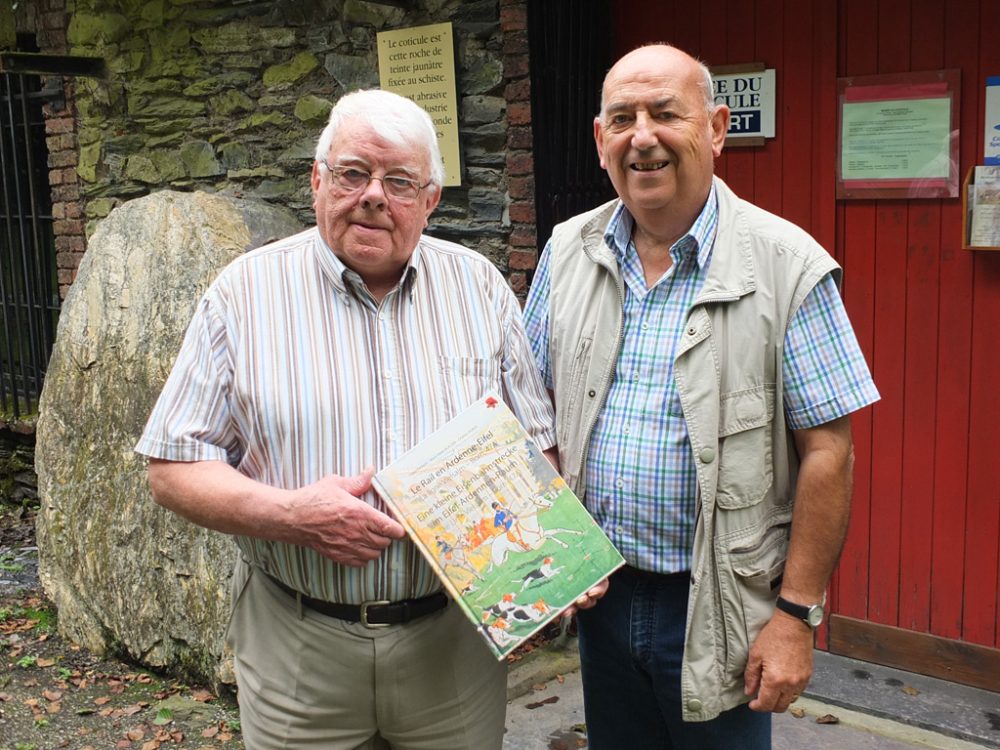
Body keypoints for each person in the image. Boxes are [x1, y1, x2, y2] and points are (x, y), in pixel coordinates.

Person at [136, 89, 603, 750]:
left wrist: (544, 567)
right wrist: (290, 516)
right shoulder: (241, 296)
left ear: (431, 199)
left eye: (400, 181)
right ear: (317, 181)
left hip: (453, 648)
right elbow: (172, 467)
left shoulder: (480, 288)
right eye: (354, 173)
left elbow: (536, 446)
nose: (375, 196)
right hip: (299, 644)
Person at [522, 44, 880, 749]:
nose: (643, 136)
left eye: (665, 113)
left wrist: (796, 618)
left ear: (715, 128)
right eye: (622, 118)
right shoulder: (567, 251)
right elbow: (526, 416)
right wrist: (542, 558)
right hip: (602, 595)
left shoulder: (787, 266)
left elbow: (828, 453)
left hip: (720, 604)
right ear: (600, 141)